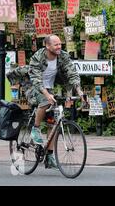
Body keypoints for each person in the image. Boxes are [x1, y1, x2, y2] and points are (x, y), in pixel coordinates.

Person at [27, 34, 84, 169]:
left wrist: (80, 92)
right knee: (46, 102)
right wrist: (46, 94)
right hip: (35, 87)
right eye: (56, 44)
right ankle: (35, 128)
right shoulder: (38, 57)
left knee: (53, 123)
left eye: (60, 44)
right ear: (47, 46)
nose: (59, 47)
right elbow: (35, 79)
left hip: (51, 89)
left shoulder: (62, 56)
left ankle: (49, 156)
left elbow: (72, 73)